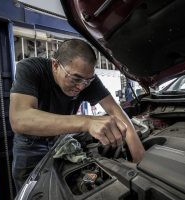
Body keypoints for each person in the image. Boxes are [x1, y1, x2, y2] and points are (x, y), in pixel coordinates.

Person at [9, 39, 145, 192]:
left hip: (60, 140)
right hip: (30, 145)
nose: (81, 86)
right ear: (55, 65)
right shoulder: (31, 69)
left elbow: (115, 110)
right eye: (75, 79)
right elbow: (19, 119)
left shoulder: (87, 80)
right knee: (32, 191)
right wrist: (87, 122)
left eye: (88, 81)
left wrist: (139, 158)